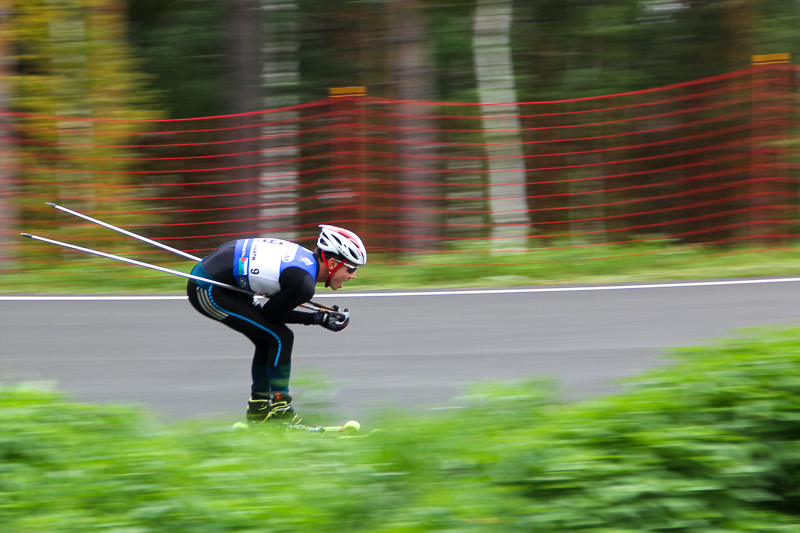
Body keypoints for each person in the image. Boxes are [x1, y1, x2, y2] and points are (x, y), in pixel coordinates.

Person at [186, 224, 367, 424]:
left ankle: (260, 410)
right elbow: (272, 313)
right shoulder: (304, 282)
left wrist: (320, 315)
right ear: (332, 263)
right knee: (280, 337)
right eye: (351, 268)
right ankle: (280, 411)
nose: (353, 275)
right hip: (208, 289)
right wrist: (318, 318)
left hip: (226, 277)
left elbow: (275, 305)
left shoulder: (306, 261)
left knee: (269, 338)